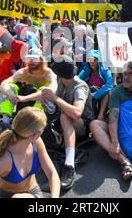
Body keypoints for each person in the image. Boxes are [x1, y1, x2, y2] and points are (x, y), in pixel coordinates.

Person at [0, 107, 60, 198]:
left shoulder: (36, 142)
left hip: (32, 194)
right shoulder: (4, 159)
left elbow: (52, 173)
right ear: (35, 134)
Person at [41, 56, 95, 190]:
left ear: (60, 73)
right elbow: (52, 97)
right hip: (65, 121)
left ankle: (69, 165)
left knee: (66, 117)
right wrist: (47, 101)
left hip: (82, 125)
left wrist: (55, 99)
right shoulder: (60, 80)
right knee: (44, 113)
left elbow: (77, 113)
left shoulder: (79, 86)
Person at [0, 48, 58, 129]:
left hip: (43, 106)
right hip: (24, 101)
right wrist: (10, 94)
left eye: (34, 59)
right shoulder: (23, 72)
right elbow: (4, 84)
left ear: (41, 60)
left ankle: (35, 121)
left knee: (44, 90)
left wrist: (25, 98)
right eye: (29, 59)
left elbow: (52, 91)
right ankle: (6, 121)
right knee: (10, 87)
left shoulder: (49, 73)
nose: (31, 61)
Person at [78, 50, 114, 120]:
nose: (92, 63)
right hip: (88, 94)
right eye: (90, 60)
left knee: (107, 91)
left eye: (94, 60)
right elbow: (77, 80)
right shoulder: (86, 70)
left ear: (98, 60)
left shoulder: (105, 70)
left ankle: (101, 114)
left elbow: (109, 85)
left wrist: (95, 94)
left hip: (101, 95)